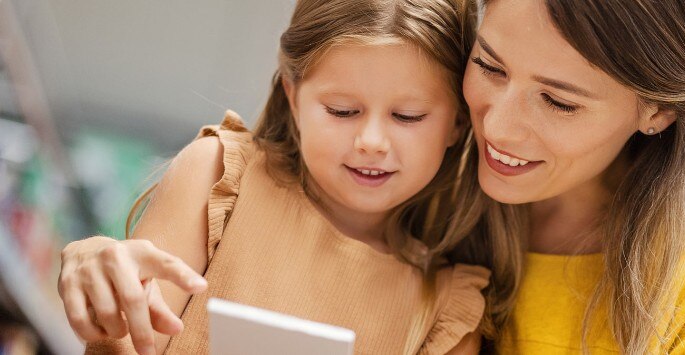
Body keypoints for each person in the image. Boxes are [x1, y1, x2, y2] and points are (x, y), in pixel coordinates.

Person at [56, 0, 494, 353]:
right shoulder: (218, 178)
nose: (372, 141)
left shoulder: (446, 311)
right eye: (342, 111)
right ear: (293, 94)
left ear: (458, 122)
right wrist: (103, 293)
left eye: (408, 116)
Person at [460, 0, 685, 353]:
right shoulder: (423, 183)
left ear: (659, 110)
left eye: (559, 102)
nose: (496, 126)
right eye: (489, 66)